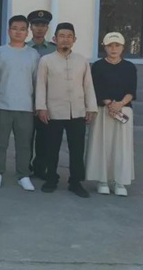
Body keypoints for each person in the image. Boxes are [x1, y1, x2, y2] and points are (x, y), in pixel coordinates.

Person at [35, 22, 97, 197]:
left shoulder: (82, 61)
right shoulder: (46, 61)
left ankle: (75, 182)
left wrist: (91, 107)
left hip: (77, 111)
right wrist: (41, 108)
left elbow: (88, 85)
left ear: (74, 40)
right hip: (53, 111)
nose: (65, 39)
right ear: (55, 39)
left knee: (77, 149)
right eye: (62, 36)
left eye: (69, 36)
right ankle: (51, 179)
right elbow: (41, 85)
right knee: (51, 148)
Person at [0, 15, 40, 191]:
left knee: (24, 144)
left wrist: (37, 103)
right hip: (3, 104)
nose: (18, 32)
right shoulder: (0, 52)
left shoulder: (33, 54)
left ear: (27, 32)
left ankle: (23, 175)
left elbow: (36, 81)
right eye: (15, 28)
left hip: (25, 106)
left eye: (22, 29)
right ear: (8, 30)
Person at [86, 32, 137, 197]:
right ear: (105, 47)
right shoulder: (98, 66)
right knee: (102, 144)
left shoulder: (129, 67)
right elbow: (96, 88)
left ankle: (119, 181)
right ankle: (102, 180)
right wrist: (109, 103)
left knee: (122, 146)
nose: (113, 49)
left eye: (117, 45)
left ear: (122, 47)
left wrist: (120, 104)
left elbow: (131, 90)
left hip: (123, 111)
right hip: (103, 110)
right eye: (110, 45)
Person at [26, 9, 57, 180]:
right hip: (27, 98)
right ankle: (25, 167)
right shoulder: (23, 48)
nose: (40, 28)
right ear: (30, 27)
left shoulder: (53, 49)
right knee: (26, 137)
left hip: (47, 100)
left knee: (45, 137)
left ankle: (41, 167)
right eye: (36, 25)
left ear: (47, 28)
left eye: (43, 25)